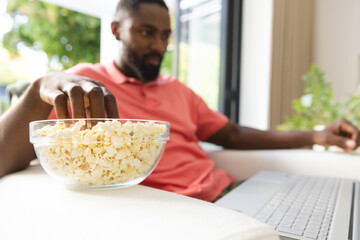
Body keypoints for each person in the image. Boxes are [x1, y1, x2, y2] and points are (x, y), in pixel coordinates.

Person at [0, 0, 359, 201]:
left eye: (166, 35)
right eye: (146, 32)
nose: (159, 46)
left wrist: (314, 135)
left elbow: (232, 135)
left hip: (233, 189)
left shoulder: (178, 90)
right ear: (116, 31)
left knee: (338, 203)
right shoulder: (82, 84)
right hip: (184, 208)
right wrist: (40, 87)